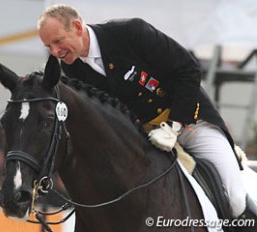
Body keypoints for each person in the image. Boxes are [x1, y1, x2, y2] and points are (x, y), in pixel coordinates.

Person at [37, 4, 257, 221]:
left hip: (191, 123)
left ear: (76, 26)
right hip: (144, 141)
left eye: (58, 41)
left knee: (235, 199)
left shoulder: (129, 33)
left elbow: (187, 69)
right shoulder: (72, 69)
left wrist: (175, 125)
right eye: (48, 46)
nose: (55, 51)